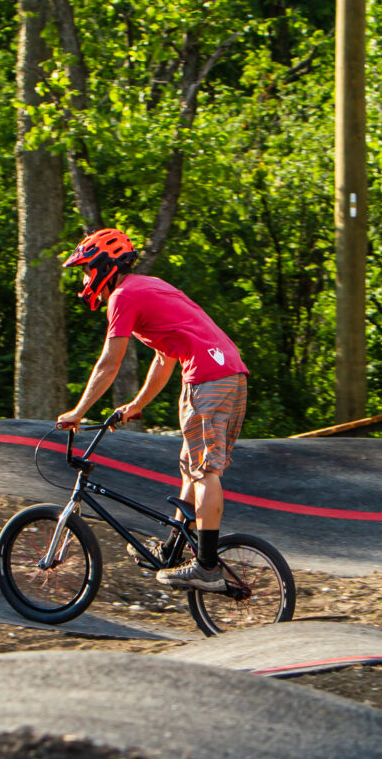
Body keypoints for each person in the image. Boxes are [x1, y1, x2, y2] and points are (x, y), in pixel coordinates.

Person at [54, 228, 249, 592]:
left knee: (205, 470)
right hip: (230, 374)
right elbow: (165, 357)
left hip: (207, 378)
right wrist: (136, 405)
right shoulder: (149, 286)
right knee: (191, 467)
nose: (83, 280)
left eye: (84, 271)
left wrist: (79, 410)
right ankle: (175, 551)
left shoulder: (123, 297)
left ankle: (206, 567)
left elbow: (109, 364)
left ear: (101, 267)